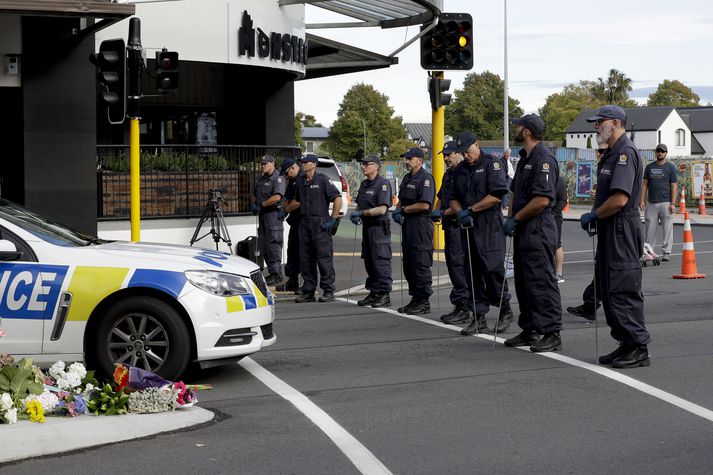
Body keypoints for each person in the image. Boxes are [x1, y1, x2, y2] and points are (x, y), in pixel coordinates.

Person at [579, 105, 651, 368]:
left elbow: (620, 199)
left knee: (623, 286)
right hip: (612, 226)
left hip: (621, 226)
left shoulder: (624, 153)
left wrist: (595, 215)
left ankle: (638, 345)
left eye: (600, 122)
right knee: (609, 287)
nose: (596, 127)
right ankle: (625, 342)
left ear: (615, 123)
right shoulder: (612, 153)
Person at [502, 114, 563, 352]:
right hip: (524, 228)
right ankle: (531, 328)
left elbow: (541, 200)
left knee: (541, 281)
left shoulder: (543, 159)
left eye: (518, 126)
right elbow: (515, 192)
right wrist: (511, 218)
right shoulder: (525, 158)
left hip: (538, 227)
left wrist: (516, 218)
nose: (515, 129)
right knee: (525, 281)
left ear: (526, 131)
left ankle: (551, 331)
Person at [449, 131, 513, 335]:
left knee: (493, 270)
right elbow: (452, 197)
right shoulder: (460, 170)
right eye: (462, 152)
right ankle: (478, 317)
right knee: (471, 273)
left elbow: (496, 195)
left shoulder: (492, 164)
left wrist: (472, 210)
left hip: (489, 227)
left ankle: (505, 310)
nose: (466, 155)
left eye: (468, 151)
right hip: (468, 227)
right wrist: (460, 212)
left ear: (477, 145)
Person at [293, 153, 342, 303]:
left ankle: (328, 290)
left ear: (314, 164)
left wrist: (333, 218)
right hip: (304, 223)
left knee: (324, 258)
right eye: (302, 162)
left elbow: (337, 198)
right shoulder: (300, 181)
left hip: (320, 223)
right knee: (306, 258)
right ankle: (308, 291)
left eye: (306, 162)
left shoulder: (323, 179)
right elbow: (297, 200)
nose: (303, 164)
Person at [430, 140, 470, 324]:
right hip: (449, 225)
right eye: (444, 155)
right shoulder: (448, 175)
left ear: (459, 154)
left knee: (458, 266)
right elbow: (441, 196)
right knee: (453, 266)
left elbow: (461, 203)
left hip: (459, 226)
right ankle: (460, 305)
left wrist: (444, 211)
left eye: (449, 154)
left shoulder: (464, 173)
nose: (446, 158)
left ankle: (464, 306)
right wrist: (436, 210)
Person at [567, 144, 608, 320]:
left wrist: (595, 214)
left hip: (614, 225)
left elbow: (619, 197)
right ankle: (590, 304)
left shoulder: (617, 163)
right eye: (598, 151)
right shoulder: (603, 166)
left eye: (603, 151)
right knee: (602, 267)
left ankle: (596, 304)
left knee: (613, 271)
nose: (599, 154)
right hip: (603, 220)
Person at [393, 147, 435, 315]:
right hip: (408, 225)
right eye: (406, 158)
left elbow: (425, 204)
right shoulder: (406, 178)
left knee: (420, 263)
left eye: (410, 159)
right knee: (409, 264)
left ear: (420, 160)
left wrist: (403, 210)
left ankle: (424, 301)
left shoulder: (426, 179)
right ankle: (415, 298)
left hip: (420, 225)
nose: (407, 161)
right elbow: (401, 199)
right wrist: (397, 209)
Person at [350, 155, 393, 308]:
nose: (363, 167)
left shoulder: (383, 184)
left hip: (379, 228)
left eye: (367, 164)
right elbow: (359, 204)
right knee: (369, 261)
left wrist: (361, 214)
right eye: (363, 164)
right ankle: (374, 291)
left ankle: (384, 294)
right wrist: (357, 213)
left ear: (376, 166)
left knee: (380, 261)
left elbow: (382, 209)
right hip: (367, 228)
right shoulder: (364, 184)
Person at [252, 154, 286, 285]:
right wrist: (254, 204)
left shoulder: (278, 178)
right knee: (264, 245)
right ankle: (272, 272)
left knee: (274, 244)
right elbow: (255, 195)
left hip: (273, 215)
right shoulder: (261, 179)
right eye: (262, 164)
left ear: (273, 163)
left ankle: (277, 273)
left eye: (265, 164)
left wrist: (262, 205)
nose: (263, 166)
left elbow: (277, 197)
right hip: (262, 216)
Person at [641, 143, 677, 261]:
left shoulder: (670, 167)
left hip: (666, 203)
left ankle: (666, 252)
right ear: (655, 152)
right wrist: (642, 200)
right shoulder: (649, 167)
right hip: (651, 203)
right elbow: (645, 184)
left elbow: (674, 186)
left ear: (666, 153)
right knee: (650, 229)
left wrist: (673, 203)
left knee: (667, 229)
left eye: (662, 151)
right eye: (658, 151)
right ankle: (649, 252)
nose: (660, 153)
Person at [276, 158, 302, 293]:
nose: (286, 176)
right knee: (292, 252)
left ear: (293, 168)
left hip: (304, 222)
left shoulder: (302, 179)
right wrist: (284, 208)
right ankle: (292, 281)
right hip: (295, 222)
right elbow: (288, 198)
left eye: (286, 173)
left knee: (303, 254)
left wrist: (286, 210)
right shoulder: (292, 181)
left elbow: (298, 201)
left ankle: (305, 283)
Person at [553, 173, 568, 283]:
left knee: (557, 244)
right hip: (542, 217)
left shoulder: (560, 179)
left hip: (555, 217)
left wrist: (552, 213)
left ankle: (559, 273)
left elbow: (563, 201)